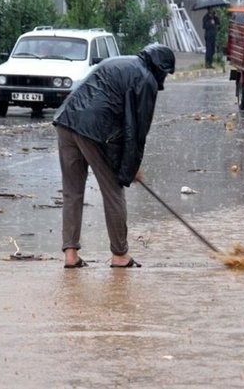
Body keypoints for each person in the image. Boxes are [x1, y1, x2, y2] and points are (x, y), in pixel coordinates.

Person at [52, 44, 175, 269]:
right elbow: (136, 131)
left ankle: (70, 255)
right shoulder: (146, 79)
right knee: (113, 193)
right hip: (92, 131)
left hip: (66, 121)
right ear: (161, 68)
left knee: (72, 192)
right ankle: (120, 255)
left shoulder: (119, 61)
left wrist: (128, 166)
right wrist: (130, 168)